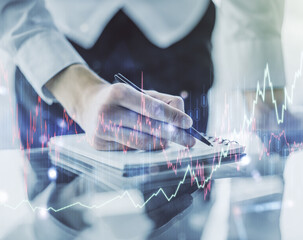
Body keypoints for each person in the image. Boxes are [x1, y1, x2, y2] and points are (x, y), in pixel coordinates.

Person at [0, 0, 215, 237]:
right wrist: (81, 95)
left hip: (179, 38)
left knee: (182, 217)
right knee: (54, 214)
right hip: (52, 40)